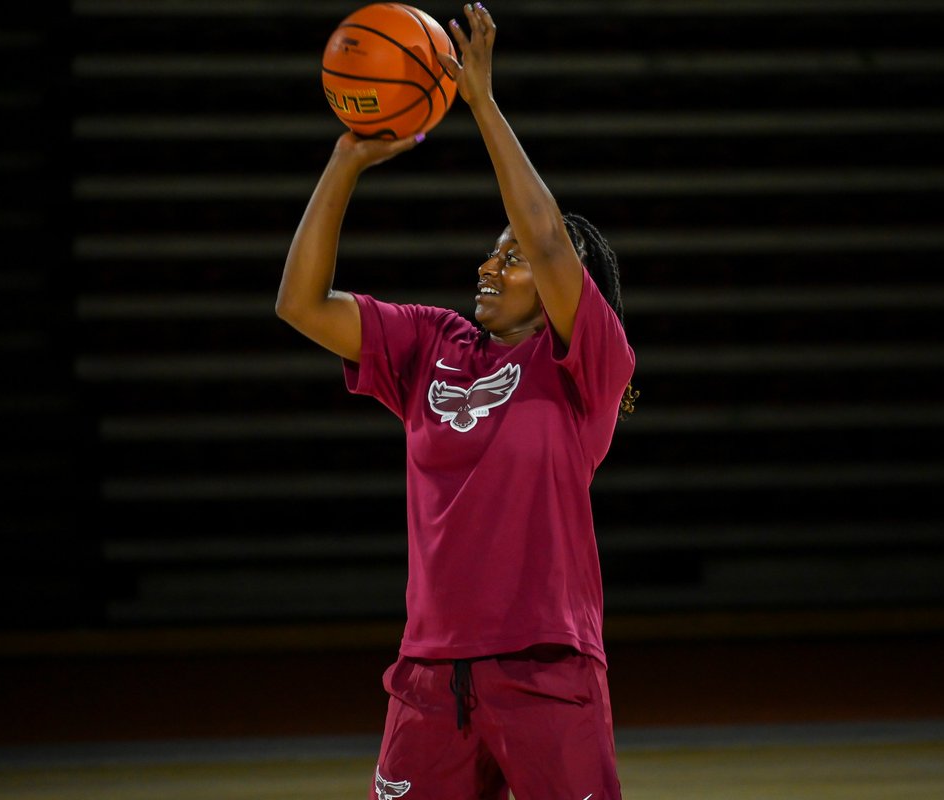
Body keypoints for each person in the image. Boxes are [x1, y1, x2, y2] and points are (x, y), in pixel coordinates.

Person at [276, 4, 636, 798]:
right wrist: (344, 162)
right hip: (429, 676)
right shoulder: (430, 342)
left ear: (556, 290)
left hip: (548, 670)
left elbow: (546, 238)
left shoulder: (585, 365)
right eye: (491, 249)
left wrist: (483, 104)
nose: (490, 261)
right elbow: (300, 305)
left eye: (511, 258)